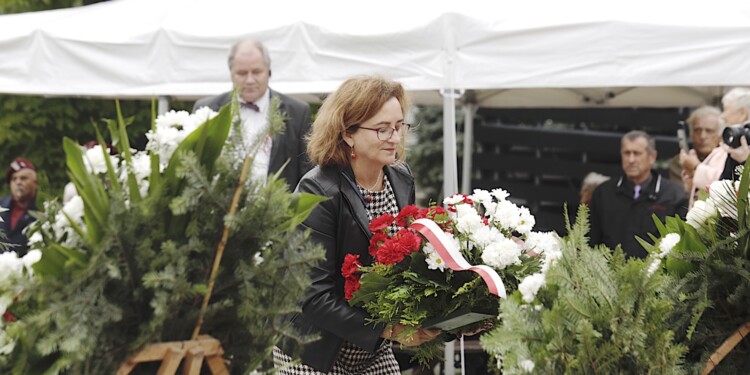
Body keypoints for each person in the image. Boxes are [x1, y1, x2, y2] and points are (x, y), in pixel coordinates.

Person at [273, 76, 440, 374]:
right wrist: (390, 329)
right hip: (313, 352)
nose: (395, 137)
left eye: (400, 126)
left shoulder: (401, 178)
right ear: (348, 133)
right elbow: (313, 296)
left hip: (370, 348)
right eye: (382, 129)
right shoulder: (317, 191)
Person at [193, 39, 313, 189]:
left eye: (256, 72)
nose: (250, 80)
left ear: (269, 72)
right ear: (231, 74)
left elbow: (308, 173)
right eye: (242, 73)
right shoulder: (207, 110)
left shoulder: (298, 112)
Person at [589, 131, 688, 259]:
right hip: (609, 274)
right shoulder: (603, 193)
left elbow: (680, 246)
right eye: (626, 153)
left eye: (637, 153)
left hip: (656, 275)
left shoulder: (674, 195)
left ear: (652, 157)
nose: (631, 160)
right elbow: (590, 241)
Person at [671, 106, 725, 207]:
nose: (702, 136)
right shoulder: (679, 161)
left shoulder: (728, 159)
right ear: (691, 134)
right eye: (698, 130)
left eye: (709, 131)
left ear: (720, 135)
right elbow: (681, 194)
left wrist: (695, 168)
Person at [0, 157, 39, 255]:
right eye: (14, 179)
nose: (18, 182)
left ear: (35, 183)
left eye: (23, 178)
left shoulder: (43, 211)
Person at [719, 87, 750, 180]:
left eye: (726, 109)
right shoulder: (736, 141)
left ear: (742, 113)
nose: (722, 116)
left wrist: (745, 161)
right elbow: (724, 185)